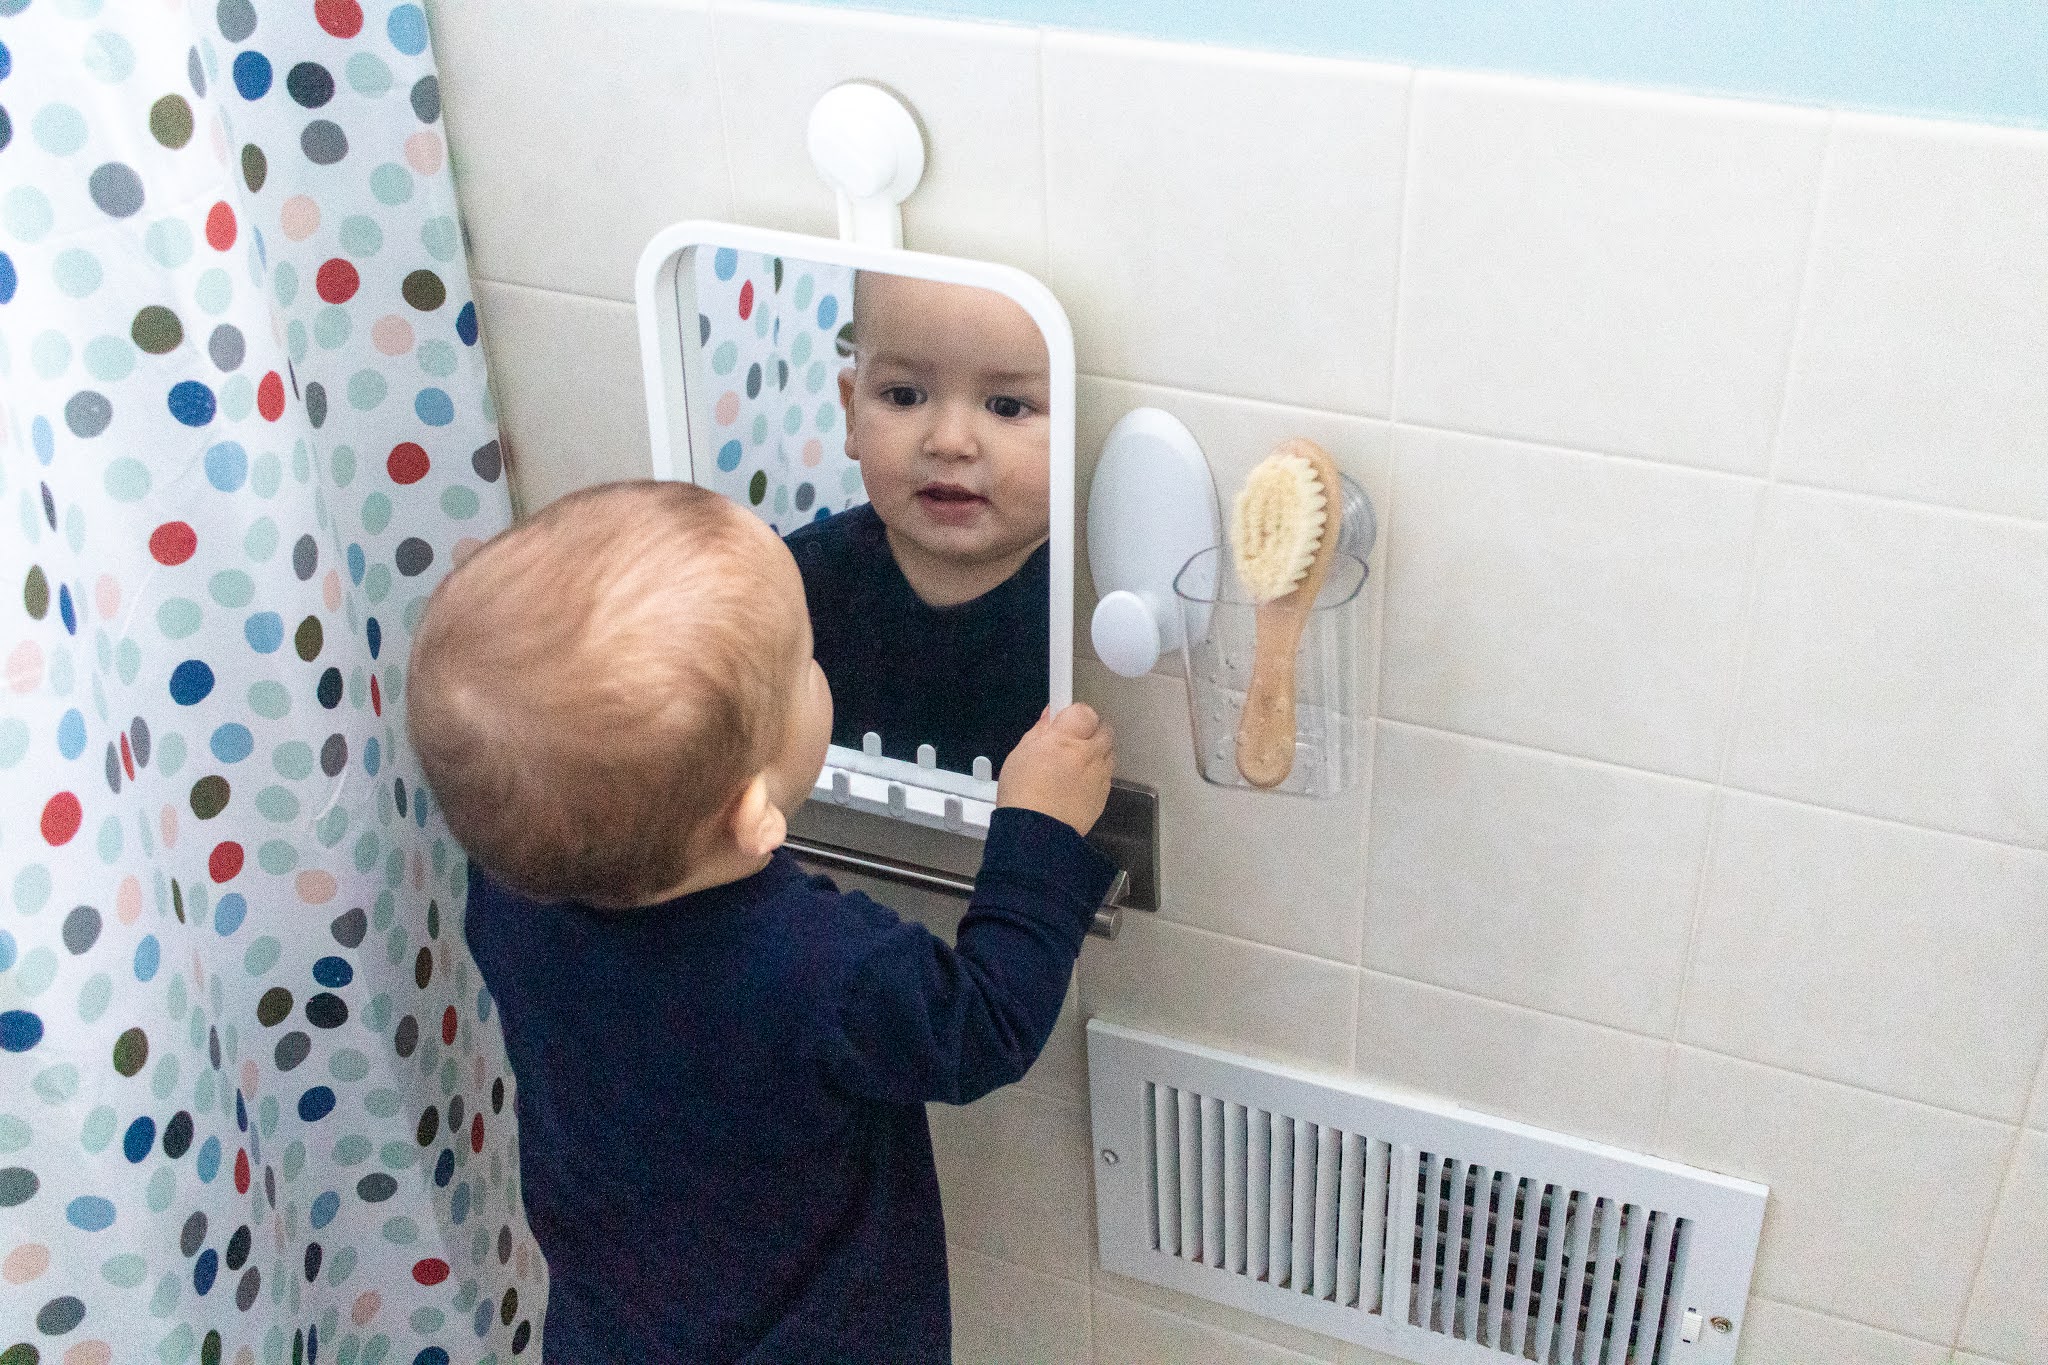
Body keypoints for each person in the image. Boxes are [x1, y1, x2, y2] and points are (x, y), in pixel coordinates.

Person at [406, 480, 1117, 1363]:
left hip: (615, 1327)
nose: (821, 670)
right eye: (806, 664)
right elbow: (984, 1023)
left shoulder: (514, 891)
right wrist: (1038, 831)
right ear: (750, 812)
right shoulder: (822, 969)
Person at [785, 272, 1053, 774]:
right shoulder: (792, 582)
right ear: (850, 414)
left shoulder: (1085, 617)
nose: (949, 442)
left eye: (1007, 406)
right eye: (904, 396)